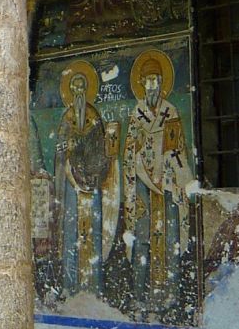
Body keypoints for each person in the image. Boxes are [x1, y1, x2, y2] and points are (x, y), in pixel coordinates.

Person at [122, 49, 193, 313]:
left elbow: (178, 150)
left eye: (156, 79)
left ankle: (169, 296)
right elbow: (128, 153)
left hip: (167, 187)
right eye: (148, 80)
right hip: (141, 188)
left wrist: (176, 179)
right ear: (141, 83)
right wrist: (137, 148)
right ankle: (140, 296)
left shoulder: (170, 111)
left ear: (162, 83)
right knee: (142, 240)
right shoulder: (136, 114)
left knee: (170, 240)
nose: (152, 85)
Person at [54, 61, 120, 295]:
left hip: (92, 187)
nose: (79, 93)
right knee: (72, 233)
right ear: (71, 92)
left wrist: (94, 168)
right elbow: (60, 151)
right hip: (73, 188)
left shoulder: (94, 115)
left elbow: (102, 149)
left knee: (92, 233)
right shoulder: (67, 117)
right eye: (76, 89)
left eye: (83, 88)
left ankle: (93, 287)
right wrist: (67, 148)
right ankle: (70, 287)